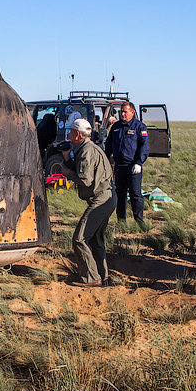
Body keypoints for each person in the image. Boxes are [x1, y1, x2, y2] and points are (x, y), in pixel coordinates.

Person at [59, 118, 117, 286]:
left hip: (102, 199)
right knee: (95, 238)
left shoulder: (87, 151)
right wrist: (66, 157)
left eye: (71, 132)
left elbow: (85, 180)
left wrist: (67, 173)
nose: (69, 134)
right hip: (107, 197)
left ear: (78, 134)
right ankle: (102, 275)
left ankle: (91, 278)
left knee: (80, 238)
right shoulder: (86, 148)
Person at [105, 102, 149, 225]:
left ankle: (139, 221)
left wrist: (139, 162)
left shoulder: (139, 127)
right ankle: (121, 221)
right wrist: (105, 159)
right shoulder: (116, 127)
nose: (122, 114)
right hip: (119, 167)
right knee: (120, 193)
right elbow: (108, 145)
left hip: (133, 167)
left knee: (135, 194)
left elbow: (144, 147)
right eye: (121, 112)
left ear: (132, 112)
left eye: (125, 112)